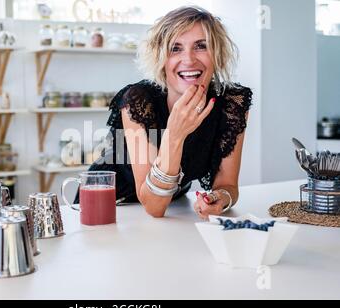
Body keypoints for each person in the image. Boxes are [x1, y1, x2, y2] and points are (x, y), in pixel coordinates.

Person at [77, 6, 252, 219]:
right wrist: (175, 134)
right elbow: (153, 206)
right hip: (111, 205)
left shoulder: (231, 104)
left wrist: (220, 199)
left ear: (217, 55)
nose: (188, 59)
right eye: (175, 48)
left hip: (174, 205)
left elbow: (228, 184)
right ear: (161, 60)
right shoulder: (139, 101)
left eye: (201, 46)